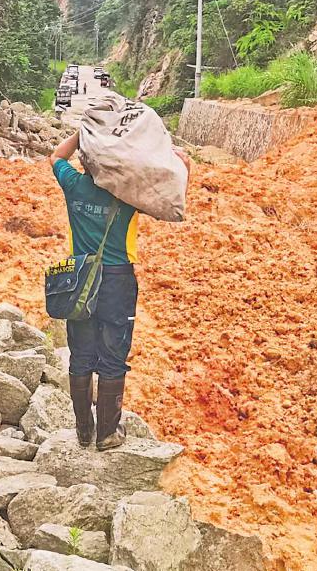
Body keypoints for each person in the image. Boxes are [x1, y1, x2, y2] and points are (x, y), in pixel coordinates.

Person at [49, 132, 191, 450]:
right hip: (116, 281)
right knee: (113, 356)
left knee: (81, 356)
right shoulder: (128, 193)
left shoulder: (73, 184)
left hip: (79, 280)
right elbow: (174, 208)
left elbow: (56, 156)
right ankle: (107, 433)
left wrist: (82, 132)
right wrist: (185, 168)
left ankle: (83, 431)